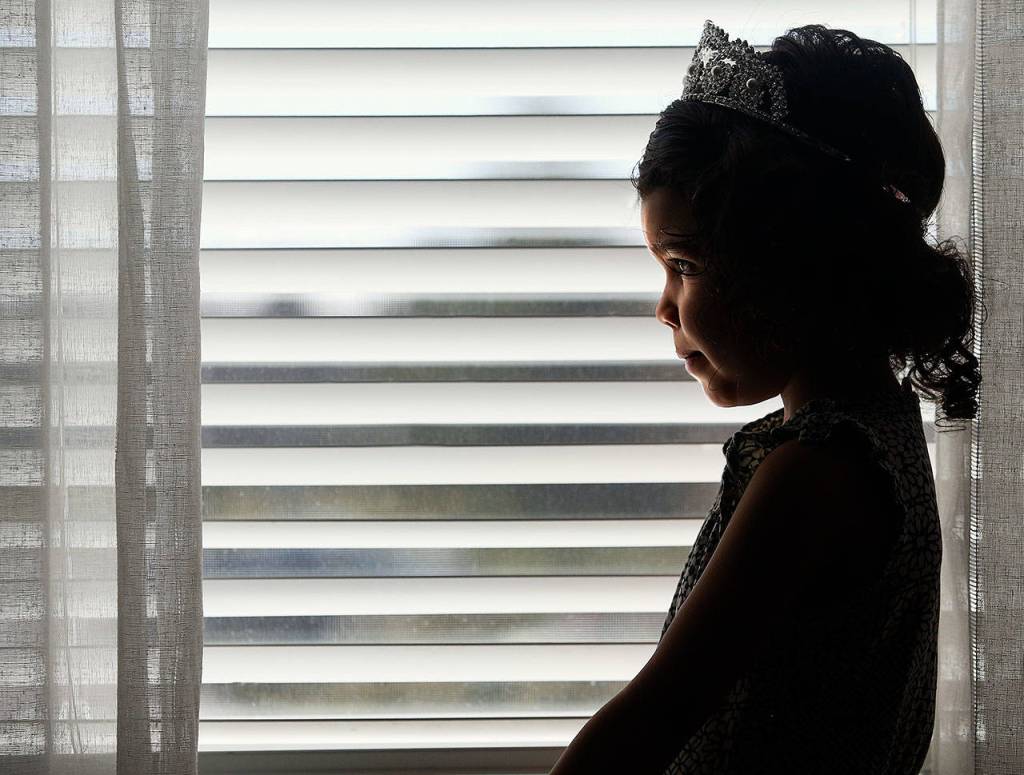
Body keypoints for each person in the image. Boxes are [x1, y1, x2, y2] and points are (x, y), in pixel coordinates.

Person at [548, 20, 981, 775]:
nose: (665, 306)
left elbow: (646, 725)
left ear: (792, 263)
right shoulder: (872, 430)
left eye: (683, 263)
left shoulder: (817, 475)